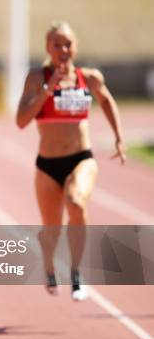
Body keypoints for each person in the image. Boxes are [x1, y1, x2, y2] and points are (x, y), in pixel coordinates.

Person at [16, 21, 125, 301]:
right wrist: (47, 89)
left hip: (81, 158)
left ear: (75, 46)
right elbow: (21, 121)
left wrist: (118, 137)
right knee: (51, 230)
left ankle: (77, 272)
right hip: (47, 165)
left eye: (68, 44)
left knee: (76, 202)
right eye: (57, 45)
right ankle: (50, 267)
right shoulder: (36, 77)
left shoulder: (88, 77)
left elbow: (108, 100)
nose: (63, 49)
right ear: (47, 48)